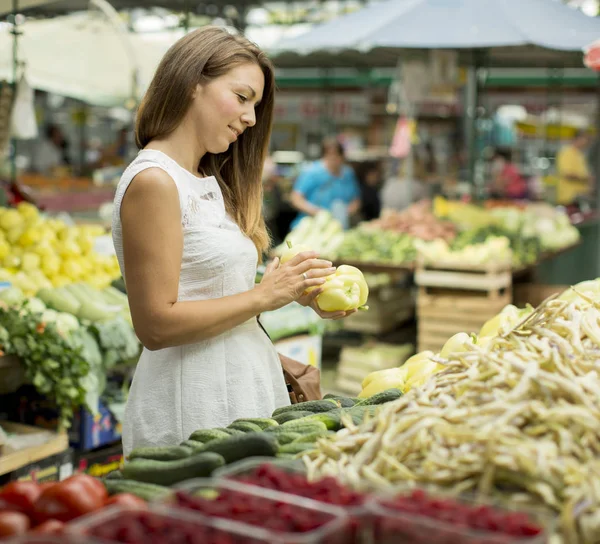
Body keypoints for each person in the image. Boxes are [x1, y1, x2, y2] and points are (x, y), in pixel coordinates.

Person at [112, 27, 355, 456]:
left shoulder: (208, 180)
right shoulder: (155, 181)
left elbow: (213, 293)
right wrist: (265, 296)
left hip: (242, 395)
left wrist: (294, 290)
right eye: (242, 98)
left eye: (256, 106)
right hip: (191, 410)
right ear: (191, 84)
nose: (251, 118)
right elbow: (155, 325)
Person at [290, 137, 361, 228]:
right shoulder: (312, 172)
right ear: (324, 156)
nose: (333, 159)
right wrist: (318, 213)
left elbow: (356, 200)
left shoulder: (348, 173)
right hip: (311, 225)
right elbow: (296, 198)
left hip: (340, 226)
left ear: (342, 156)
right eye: (329, 155)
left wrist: (344, 213)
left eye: (336, 155)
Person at [556, 130, 593, 205]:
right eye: (585, 139)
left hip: (580, 197)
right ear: (577, 139)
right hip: (569, 198)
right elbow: (567, 174)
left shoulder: (579, 154)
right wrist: (587, 178)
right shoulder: (567, 153)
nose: (587, 142)